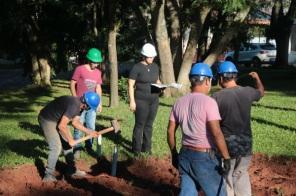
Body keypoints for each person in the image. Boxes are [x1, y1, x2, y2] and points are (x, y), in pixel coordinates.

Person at [167, 62, 231, 196]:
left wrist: (174, 153)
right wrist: (226, 157)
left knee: (187, 193)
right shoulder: (209, 102)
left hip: (184, 155)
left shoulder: (179, 102)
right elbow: (217, 133)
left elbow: (170, 130)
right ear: (207, 80)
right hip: (204, 158)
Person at [212, 61, 264, 196]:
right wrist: (257, 78)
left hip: (226, 144)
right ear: (234, 76)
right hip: (246, 143)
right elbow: (261, 93)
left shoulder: (216, 97)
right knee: (241, 173)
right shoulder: (247, 91)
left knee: (226, 175)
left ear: (221, 78)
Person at [38, 92, 100, 182]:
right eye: (89, 107)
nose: (89, 109)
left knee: (68, 144)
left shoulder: (80, 106)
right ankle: (48, 176)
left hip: (57, 120)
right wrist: (71, 140)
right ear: (86, 104)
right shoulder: (74, 106)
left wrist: (89, 132)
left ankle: (71, 170)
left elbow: (75, 123)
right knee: (56, 147)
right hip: (47, 119)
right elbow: (62, 126)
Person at [128, 43, 161, 155]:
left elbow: (157, 81)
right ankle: (136, 150)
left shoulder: (155, 67)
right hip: (141, 100)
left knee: (149, 124)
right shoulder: (137, 67)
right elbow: (131, 85)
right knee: (140, 125)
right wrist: (132, 101)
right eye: (149, 56)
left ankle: (147, 148)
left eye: (153, 56)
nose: (152, 58)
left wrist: (162, 86)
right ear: (144, 56)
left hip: (154, 100)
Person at [70, 48, 103, 158]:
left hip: (92, 105)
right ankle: (77, 148)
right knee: (78, 125)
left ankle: (89, 147)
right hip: (80, 103)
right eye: (94, 62)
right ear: (89, 60)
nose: (96, 64)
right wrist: (75, 98)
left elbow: (98, 87)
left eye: (98, 62)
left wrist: (99, 103)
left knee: (91, 126)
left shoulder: (98, 73)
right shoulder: (80, 69)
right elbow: (72, 83)